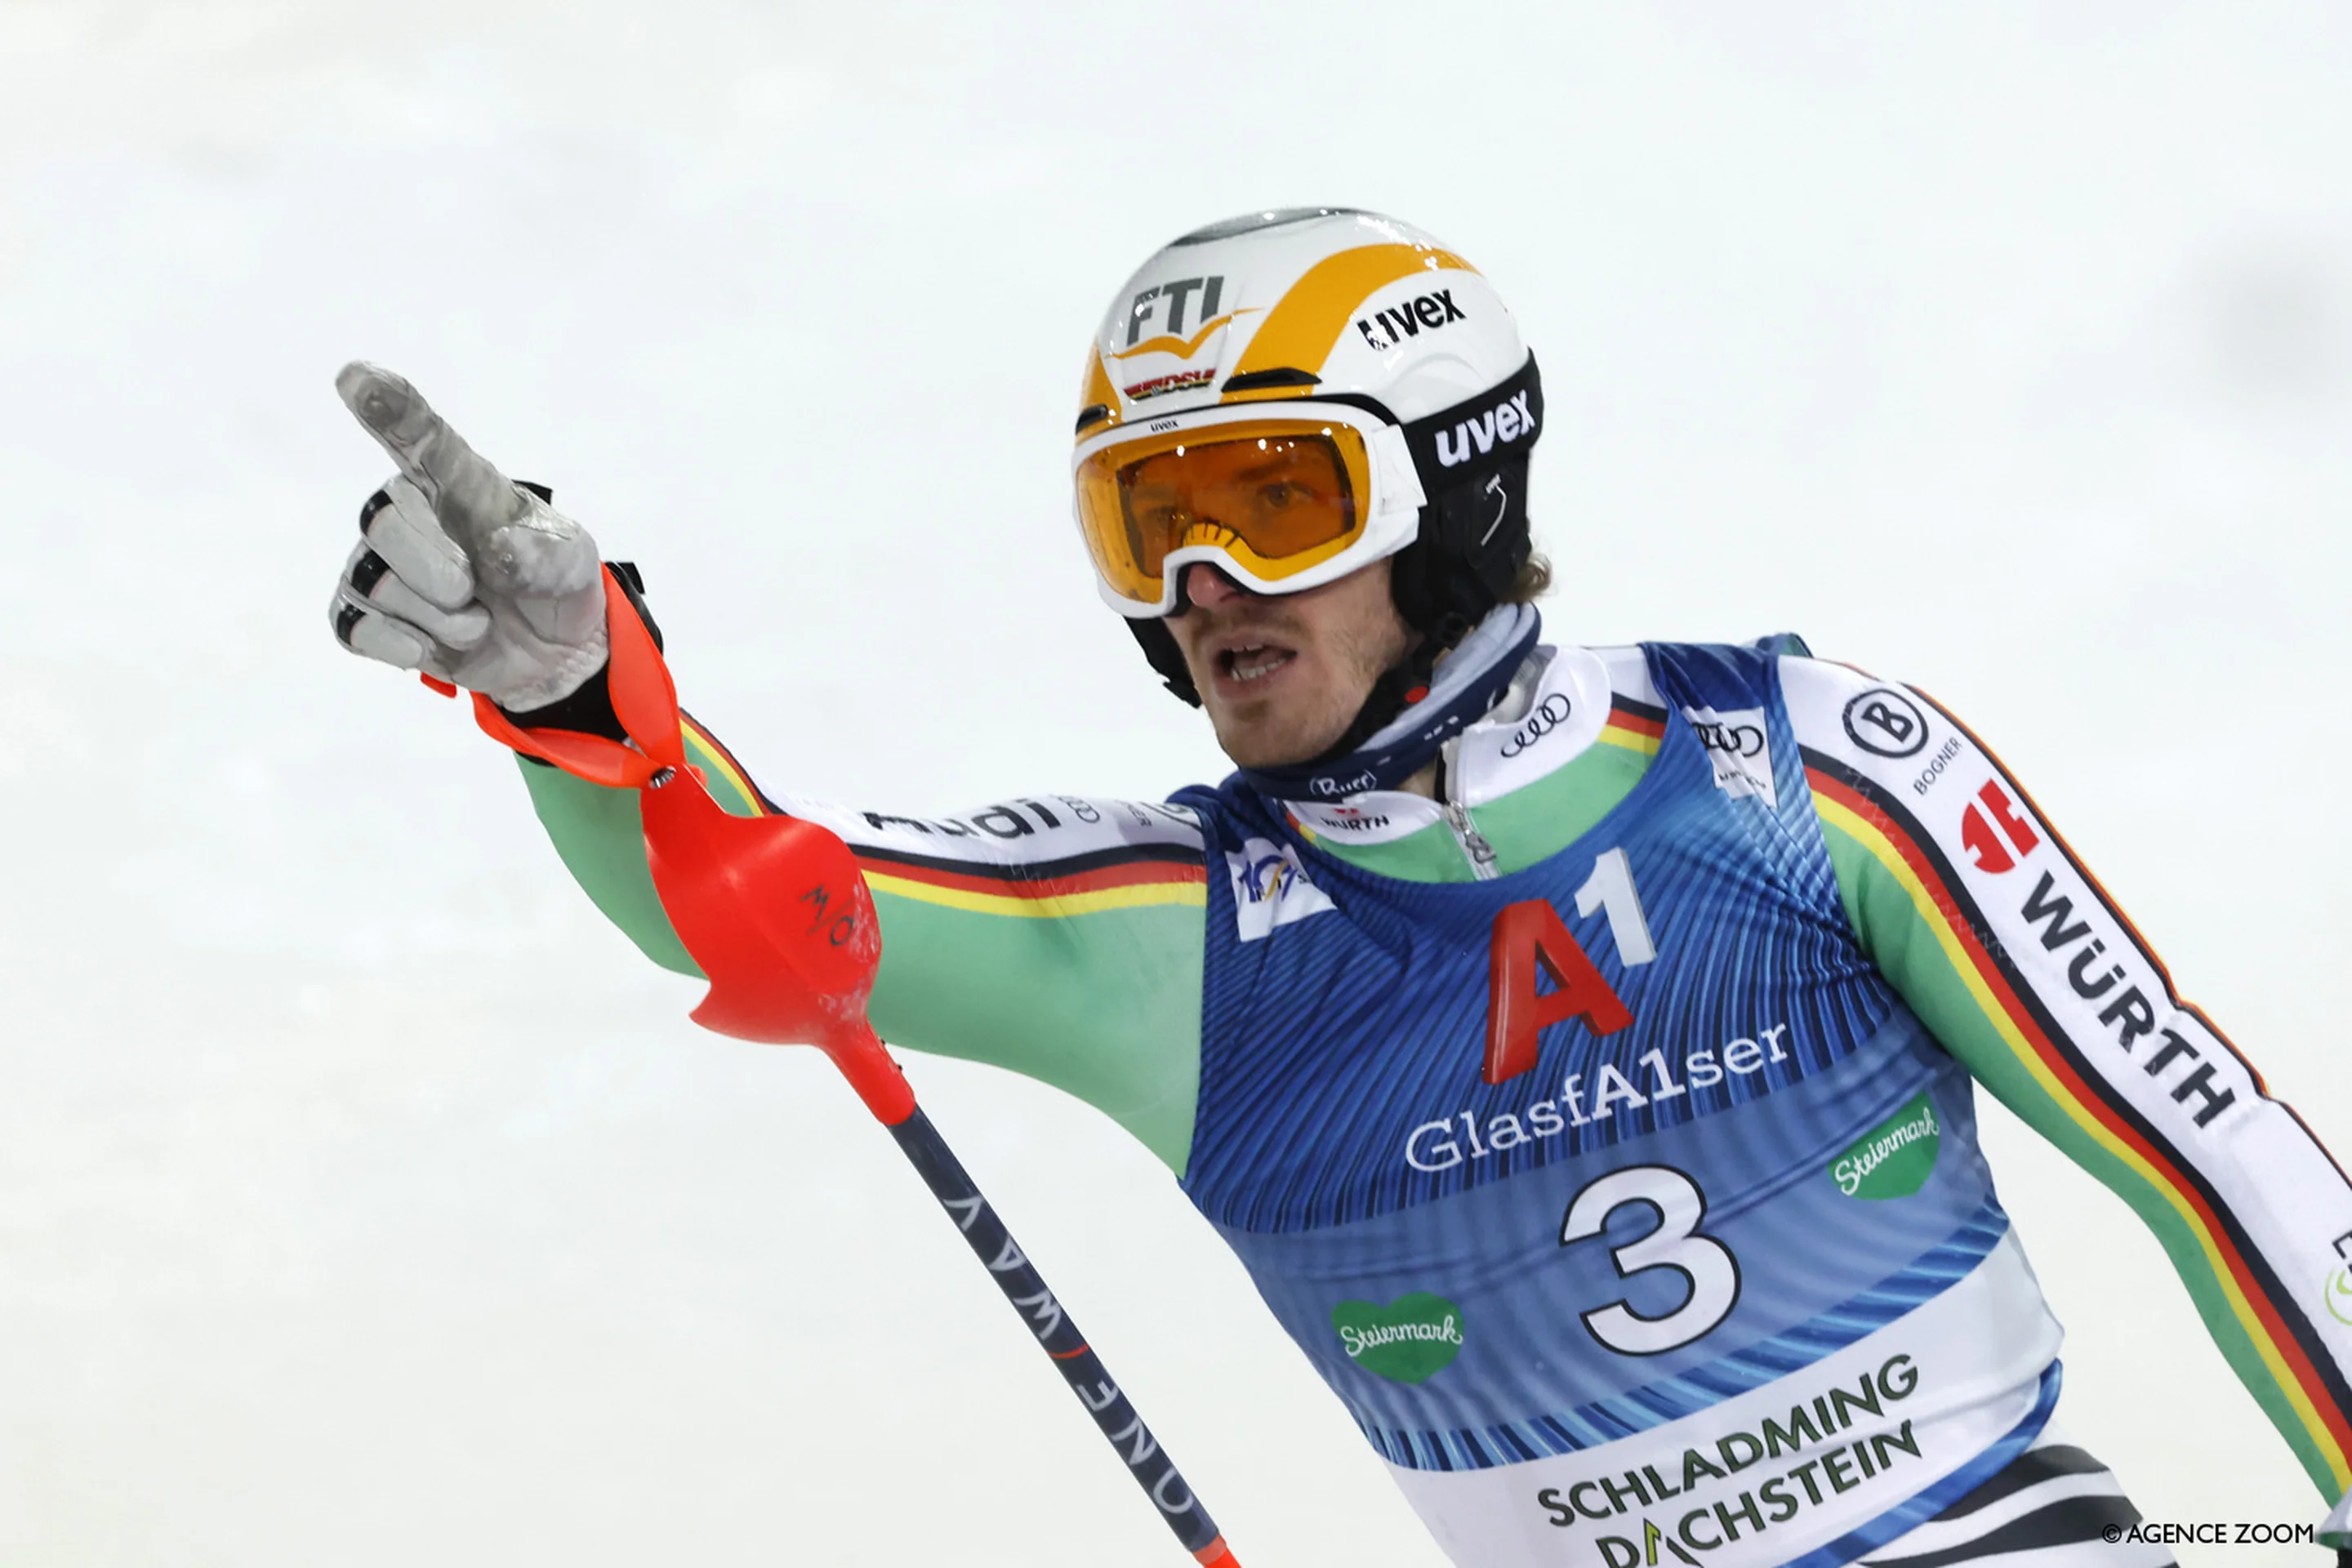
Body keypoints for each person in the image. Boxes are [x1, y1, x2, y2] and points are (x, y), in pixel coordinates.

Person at [329, 207, 2352, 1568]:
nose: (1204, 585)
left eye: (1275, 496)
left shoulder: (1806, 765)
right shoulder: (1169, 941)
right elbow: (760, 902)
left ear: (1460, 493)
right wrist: (591, 697)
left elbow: (2217, 1155)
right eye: (1150, 520)